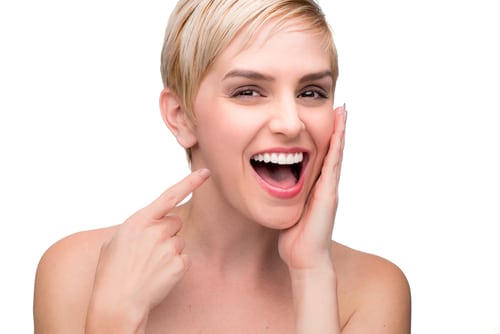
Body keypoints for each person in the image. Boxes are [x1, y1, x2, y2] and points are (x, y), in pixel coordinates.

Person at [33, 0, 411, 333]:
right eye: (248, 91)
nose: (291, 122)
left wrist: (311, 274)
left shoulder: (372, 290)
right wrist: (114, 320)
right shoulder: (78, 273)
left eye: (311, 92)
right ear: (181, 117)